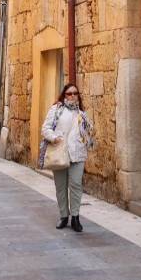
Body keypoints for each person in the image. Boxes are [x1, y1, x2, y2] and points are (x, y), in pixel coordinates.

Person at [40, 84, 94, 232]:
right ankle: (64, 216)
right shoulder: (56, 110)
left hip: (77, 154)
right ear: (64, 95)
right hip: (60, 153)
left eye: (75, 93)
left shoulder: (82, 114)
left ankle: (75, 217)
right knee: (61, 186)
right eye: (69, 94)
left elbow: (88, 133)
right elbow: (45, 128)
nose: (72, 96)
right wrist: (54, 138)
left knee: (76, 184)